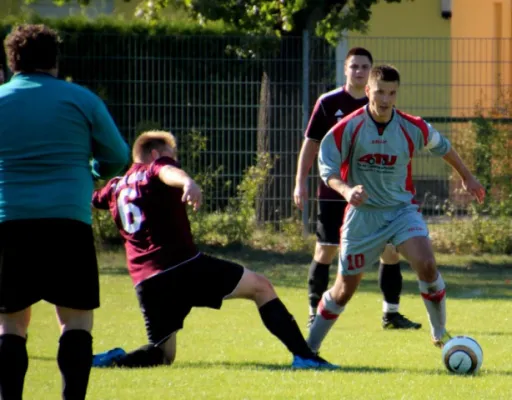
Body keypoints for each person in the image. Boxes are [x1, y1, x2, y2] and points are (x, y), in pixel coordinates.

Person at [90, 130, 339, 370]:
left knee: (162, 355)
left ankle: (112, 361)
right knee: (261, 287)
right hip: (182, 267)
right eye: (171, 155)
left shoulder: (115, 187)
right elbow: (167, 172)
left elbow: (92, 198)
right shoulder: (156, 168)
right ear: (155, 154)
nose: (174, 160)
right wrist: (187, 181)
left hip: (146, 283)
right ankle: (305, 357)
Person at [307, 64, 485, 356]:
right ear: (368, 91)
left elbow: (444, 147)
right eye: (380, 92)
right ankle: (308, 350)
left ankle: (440, 334)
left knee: (427, 264)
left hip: (402, 211)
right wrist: (347, 191)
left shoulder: (411, 126)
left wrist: (467, 176)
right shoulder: (348, 128)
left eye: (392, 93)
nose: (386, 99)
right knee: (344, 290)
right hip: (364, 215)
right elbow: (327, 169)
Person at [0, 24, 130, 400]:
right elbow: (118, 156)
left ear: (12, 61)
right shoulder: (81, 99)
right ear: (55, 60)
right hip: (67, 222)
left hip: (10, 221)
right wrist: (90, 173)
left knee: (10, 324)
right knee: (76, 321)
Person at [294, 47, 421, 330]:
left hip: (375, 198)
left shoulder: (380, 102)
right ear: (346, 70)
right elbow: (312, 144)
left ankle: (391, 313)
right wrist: (299, 181)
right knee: (326, 249)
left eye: (364, 67)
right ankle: (315, 310)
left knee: (390, 250)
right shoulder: (328, 103)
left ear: (370, 74)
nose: (359, 71)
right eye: (354, 66)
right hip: (335, 192)